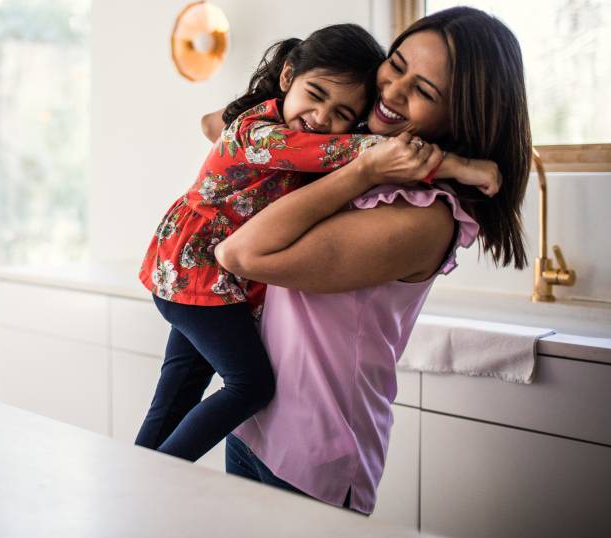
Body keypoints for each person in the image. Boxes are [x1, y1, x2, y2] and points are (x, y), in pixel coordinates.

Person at [207, 6, 531, 515]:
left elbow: (241, 253)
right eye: (396, 64)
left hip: (314, 454)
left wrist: (362, 170)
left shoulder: (421, 217)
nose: (392, 91)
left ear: (460, 117)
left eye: (424, 91)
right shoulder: (358, 154)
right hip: (254, 425)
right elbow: (224, 132)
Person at [135, 23, 499, 463]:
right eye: (317, 94)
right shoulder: (264, 134)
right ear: (288, 78)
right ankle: (158, 474)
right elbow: (348, 153)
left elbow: (336, 146)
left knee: (179, 388)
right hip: (196, 272)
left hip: (200, 277)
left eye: (343, 113)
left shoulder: (281, 129)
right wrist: (457, 165)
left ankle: (142, 469)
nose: (323, 119)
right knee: (248, 385)